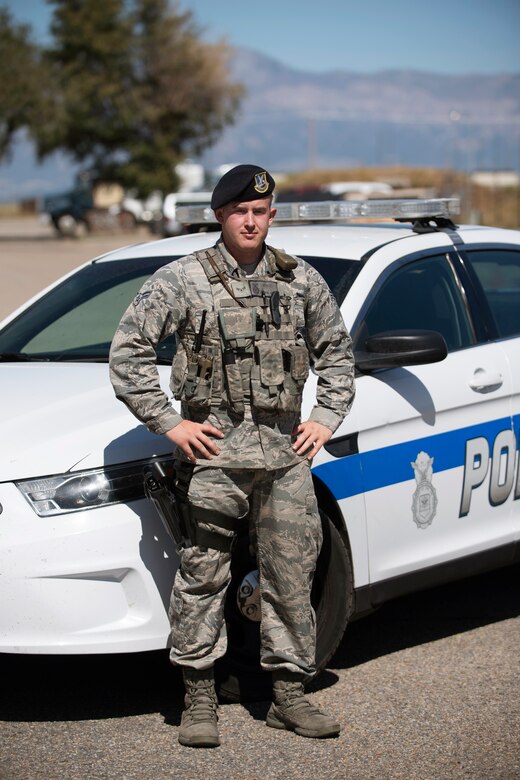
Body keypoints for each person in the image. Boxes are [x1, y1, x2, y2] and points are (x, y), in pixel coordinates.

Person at [109, 164, 355, 747]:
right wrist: (170, 424)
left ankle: (288, 695)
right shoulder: (182, 280)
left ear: (271, 215)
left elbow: (338, 355)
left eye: (261, 211)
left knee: (291, 575)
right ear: (221, 216)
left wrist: (325, 417)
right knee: (203, 574)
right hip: (214, 454)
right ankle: (198, 696)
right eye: (239, 211)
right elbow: (127, 356)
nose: (251, 219)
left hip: (285, 457)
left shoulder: (302, 282)